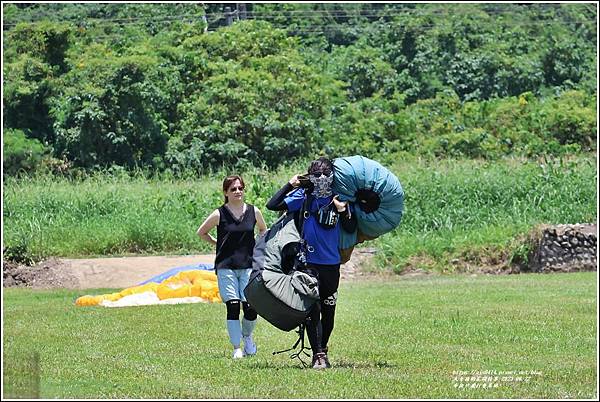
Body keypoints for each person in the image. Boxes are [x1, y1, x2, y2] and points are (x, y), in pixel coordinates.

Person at [266, 157, 357, 369]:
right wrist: (290, 184)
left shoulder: (339, 199)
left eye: (326, 174)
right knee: (311, 309)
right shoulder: (303, 197)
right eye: (317, 175)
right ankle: (318, 355)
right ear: (310, 176)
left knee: (328, 309)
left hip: (332, 265)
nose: (322, 178)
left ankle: (323, 348)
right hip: (307, 263)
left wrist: (342, 210)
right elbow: (273, 205)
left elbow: (351, 228)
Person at [197, 175, 268, 359]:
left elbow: (263, 230)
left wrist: (259, 247)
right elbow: (201, 232)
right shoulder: (219, 214)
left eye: (240, 188)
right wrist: (217, 243)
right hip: (226, 266)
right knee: (233, 305)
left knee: (251, 307)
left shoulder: (254, 211)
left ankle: (248, 337)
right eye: (233, 189)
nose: (237, 192)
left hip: (248, 266)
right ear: (226, 193)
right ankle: (237, 347)